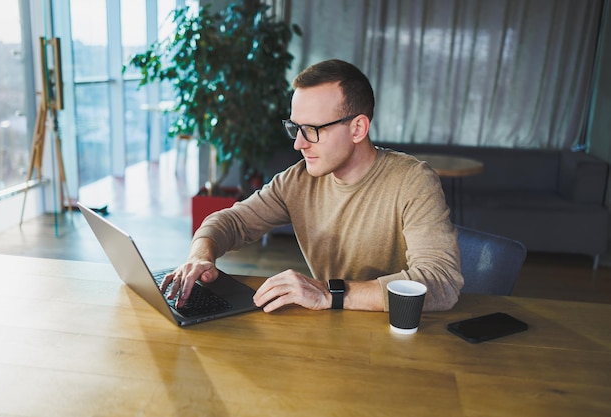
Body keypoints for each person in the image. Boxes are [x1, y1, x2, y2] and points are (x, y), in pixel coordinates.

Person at [161, 59, 464, 313]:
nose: (298, 143)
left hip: (401, 337)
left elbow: (441, 282)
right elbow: (231, 221)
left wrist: (329, 293)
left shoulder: (413, 181)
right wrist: (200, 255)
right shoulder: (298, 180)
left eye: (312, 130)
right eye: (295, 127)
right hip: (334, 333)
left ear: (358, 128)